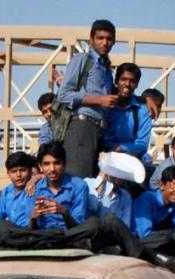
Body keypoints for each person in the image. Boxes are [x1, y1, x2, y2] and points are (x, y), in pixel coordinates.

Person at [0, 142, 142, 258]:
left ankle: (50, 243)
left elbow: (79, 223)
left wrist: (63, 211)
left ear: (64, 164)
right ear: (40, 166)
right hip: (41, 236)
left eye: (56, 163)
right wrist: (33, 217)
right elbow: (30, 228)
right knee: (3, 227)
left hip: (69, 234)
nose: (52, 169)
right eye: (46, 164)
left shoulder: (78, 185)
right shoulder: (32, 188)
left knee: (94, 223)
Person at [56, 19, 117, 177]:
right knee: (78, 181)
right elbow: (63, 95)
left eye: (109, 39)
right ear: (91, 40)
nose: (105, 43)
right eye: (100, 38)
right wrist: (100, 100)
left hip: (100, 131)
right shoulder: (82, 59)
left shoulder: (106, 68)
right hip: (82, 127)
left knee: (93, 185)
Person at [103, 63, 152, 165]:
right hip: (104, 158)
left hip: (131, 161)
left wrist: (121, 148)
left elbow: (142, 144)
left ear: (137, 84)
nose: (127, 84)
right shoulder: (105, 105)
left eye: (132, 81)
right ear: (116, 81)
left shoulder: (142, 110)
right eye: (123, 79)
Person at [0, 151, 36, 235]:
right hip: (13, 235)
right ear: (8, 173)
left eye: (22, 170)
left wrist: (37, 178)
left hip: (31, 233)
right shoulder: (6, 192)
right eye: (14, 171)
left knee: (2, 226)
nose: (18, 175)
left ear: (30, 171)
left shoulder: (36, 187)